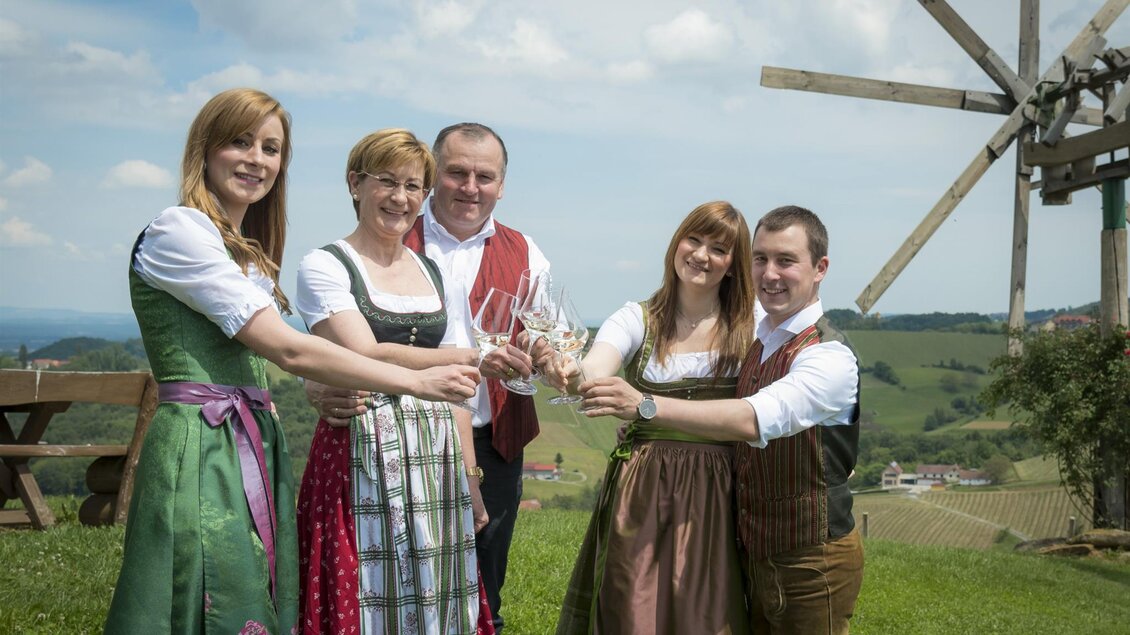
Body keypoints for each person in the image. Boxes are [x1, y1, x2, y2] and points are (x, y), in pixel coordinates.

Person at [105, 89, 478, 634]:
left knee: (248, 588)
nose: (257, 159)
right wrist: (417, 380)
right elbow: (287, 346)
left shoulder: (240, 247)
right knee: (202, 584)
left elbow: (274, 358)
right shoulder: (179, 231)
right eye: (240, 142)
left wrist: (309, 386)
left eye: (271, 148)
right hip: (199, 439)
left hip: (248, 436)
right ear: (204, 150)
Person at [306, 122, 547, 633]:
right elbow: (350, 351)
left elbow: (537, 333)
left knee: (461, 590)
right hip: (373, 443)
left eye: (485, 176)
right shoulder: (375, 248)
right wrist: (315, 384)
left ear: (501, 184)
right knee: (370, 588)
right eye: (456, 172)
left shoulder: (520, 250)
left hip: (478, 439)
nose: (470, 186)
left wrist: (551, 356)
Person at [579, 205, 863, 634]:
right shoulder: (762, 339)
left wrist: (647, 408)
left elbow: (753, 418)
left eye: (786, 261)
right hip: (752, 542)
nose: (770, 273)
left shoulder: (828, 356)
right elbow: (591, 371)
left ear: (820, 268)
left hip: (810, 554)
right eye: (762, 259)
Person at [552, 201, 757, 634]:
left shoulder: (752, 325)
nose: (702, 255)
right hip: (645, 485)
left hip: (724, 486)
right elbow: (594, 370)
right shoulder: (637, 318)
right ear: (675, 245)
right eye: (694, 240)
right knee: (634, 603)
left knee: (709, 608)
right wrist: (566, 371)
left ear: (734, 265)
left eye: (719, 249)